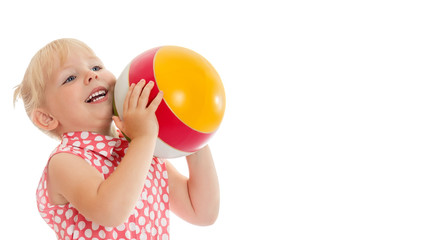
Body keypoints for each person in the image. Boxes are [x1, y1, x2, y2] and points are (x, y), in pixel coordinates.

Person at [13, 38, 220, 240]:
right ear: (47, 118)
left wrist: (192, 131)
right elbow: (109, 212)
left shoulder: (137, 146)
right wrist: (143, 139)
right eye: (70, 78)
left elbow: (201, 212)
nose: (90, 75)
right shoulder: (65, 161)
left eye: (96, 67)